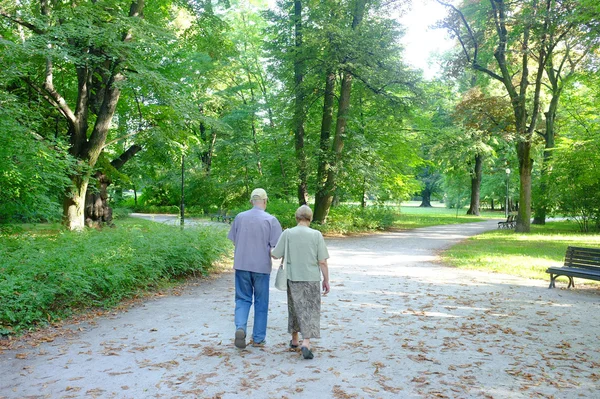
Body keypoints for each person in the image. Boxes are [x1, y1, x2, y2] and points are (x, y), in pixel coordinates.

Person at [271, 205, 330, 359]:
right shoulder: (316, 235)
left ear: (296, 218)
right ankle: (306, 342)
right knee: (310, 310)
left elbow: (276, 255)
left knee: (295, 308)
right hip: (311, 278)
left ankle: (295, 340)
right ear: (310, 218)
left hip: (293, 277)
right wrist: (326, 280)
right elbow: (322, 261)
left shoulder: (288, 233)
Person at [227, 188, 282, 349]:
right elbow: (276, 249)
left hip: (242, 264)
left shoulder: (240, 217)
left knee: (242, 299)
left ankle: (240, 328)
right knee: (261, 302)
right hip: (261, 267)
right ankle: (258, 339)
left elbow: (234, 241)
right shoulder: (271, 220)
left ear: (251, 201)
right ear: (265, 201)